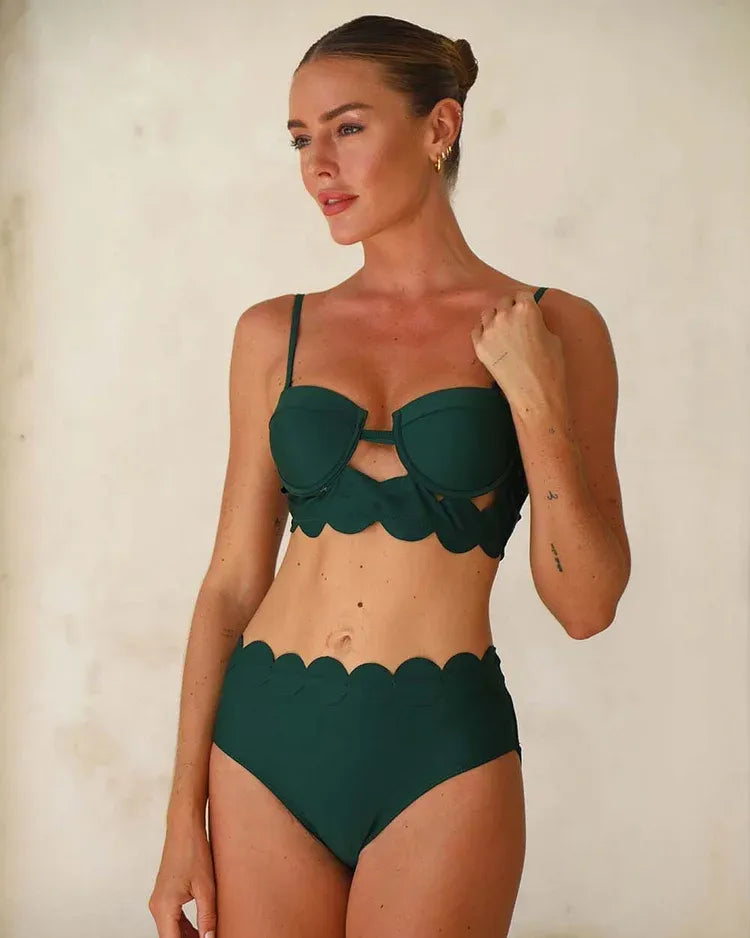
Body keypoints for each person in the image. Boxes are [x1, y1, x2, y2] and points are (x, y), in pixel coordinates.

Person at [149, 13, 630, 938]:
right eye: (301, 138)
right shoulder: (274, 332)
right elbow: (232, 584)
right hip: (262, 744)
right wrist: (180, 818)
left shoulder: (556, 326)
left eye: (348, 127)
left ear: (439, 126)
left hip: (440, 752)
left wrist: (534, 399)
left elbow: (587, 606)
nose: (318, 165)